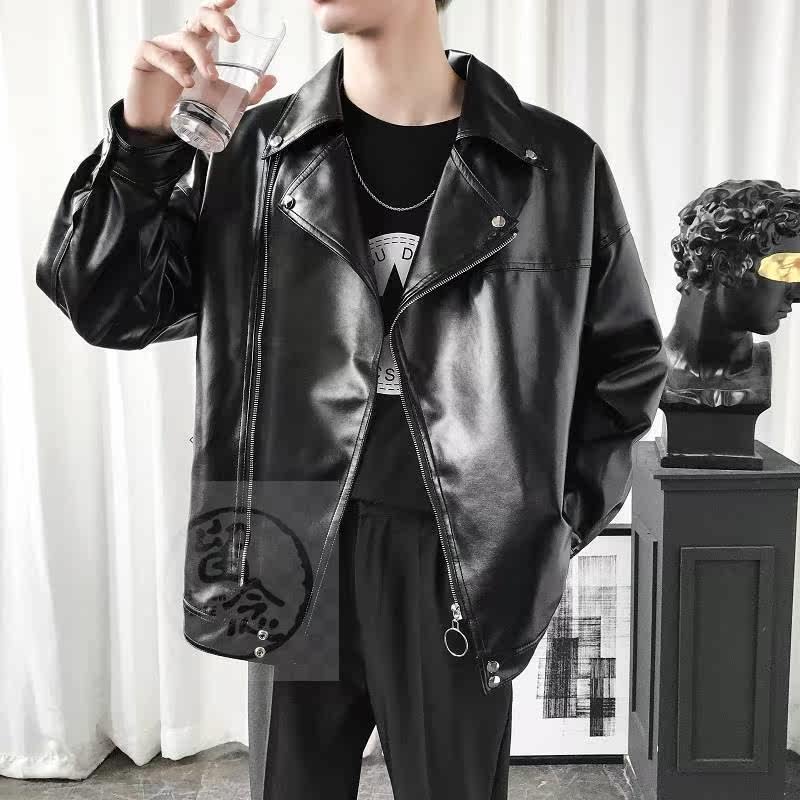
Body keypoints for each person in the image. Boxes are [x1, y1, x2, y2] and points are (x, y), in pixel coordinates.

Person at [35, 0, 670, 798]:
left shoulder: (552, 164)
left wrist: (544, 524)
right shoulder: (254, 153)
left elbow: (626, 369)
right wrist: (141, 146)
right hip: (287, 543)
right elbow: (109, 309)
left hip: (463, 556)